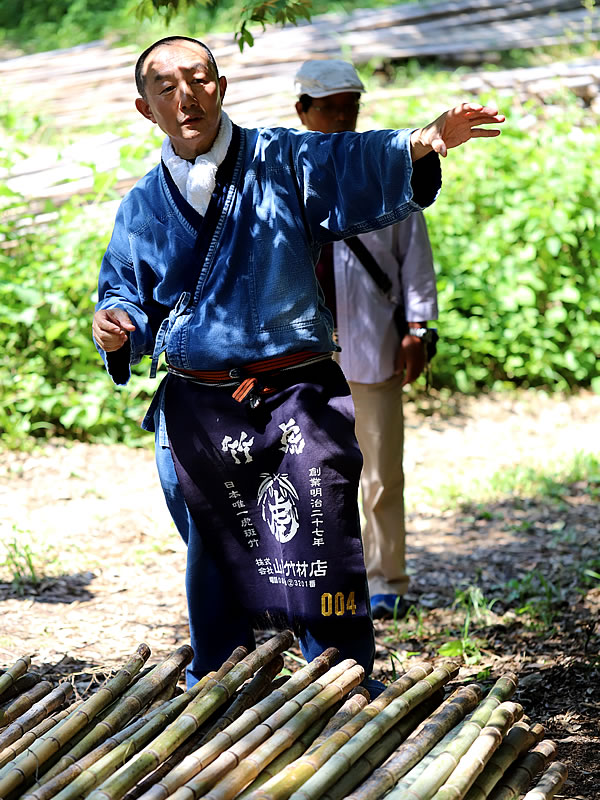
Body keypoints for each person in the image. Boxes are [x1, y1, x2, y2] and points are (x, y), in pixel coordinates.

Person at [92, 35, 504, 690]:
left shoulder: (284, 158)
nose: (185, 95)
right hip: (198, 403)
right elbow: (123, 294)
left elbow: (350, 157)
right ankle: (224, 680)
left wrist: (422, 142)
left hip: (295, 394)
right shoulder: (143, 205)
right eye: (165, 86)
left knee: (321, 534)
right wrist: (116, 326)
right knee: (214, 550)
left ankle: (338, 679)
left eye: (198, 78)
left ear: (220, 88)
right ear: (146, 109)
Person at [294, 59, 438, 620]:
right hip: (302, 357)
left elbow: (415, 263)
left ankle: (387, 580)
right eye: (328, 108)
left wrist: (419, 331)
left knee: (381, 473)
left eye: (349, 107)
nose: (340, 118)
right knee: (310, 476)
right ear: (301, 111)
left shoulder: (386, 176)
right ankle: (324, 583)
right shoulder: (282, 181)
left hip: (375, 344)